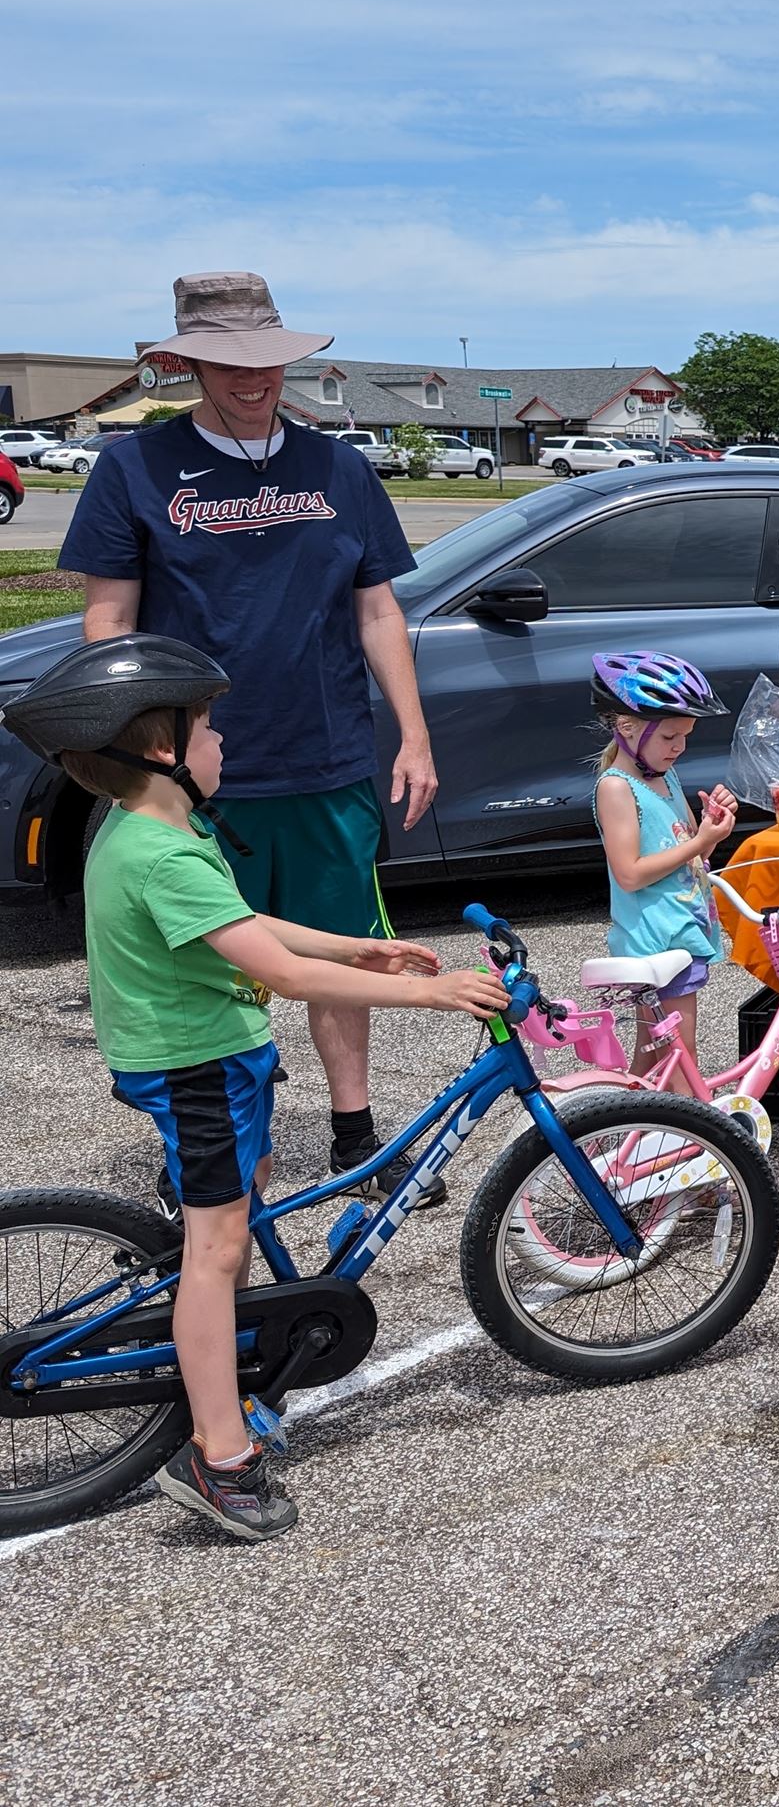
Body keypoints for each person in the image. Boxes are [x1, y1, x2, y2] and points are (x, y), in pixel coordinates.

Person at [0, 636, 507, 1541]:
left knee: (241, 1195)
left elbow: (244, 924)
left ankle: (213, 1345)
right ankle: (218, 1456)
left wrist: (356, 946)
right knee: (218, 1248)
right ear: (164, 751)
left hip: (211, 1058)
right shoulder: (164, 855)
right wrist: (431, 992)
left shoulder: (155, 828)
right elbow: (283, 975)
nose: (222, 741)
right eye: (207, 728)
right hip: (198, 1069)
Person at [60, 273, 440, 1204]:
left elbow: (379, 611)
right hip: (194, 773)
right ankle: (209, 1151)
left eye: (267, 359)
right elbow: (109, 624)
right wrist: (131, 750)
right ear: (187, 363)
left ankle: (354, 1137)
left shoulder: (340, 469)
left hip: (326, 759)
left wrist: (414, 735)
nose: (252, 378)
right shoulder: (134, 468)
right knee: (212, 967)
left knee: (341, 951)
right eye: (227, 362)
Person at [590, 651, 736, 1076]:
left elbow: (694, 850)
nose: (680, 746)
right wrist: (701, 842)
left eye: (685, 735)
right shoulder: (617, 788)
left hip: (677, 929)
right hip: (658, 938)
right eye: (670, 735)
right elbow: (629, 873)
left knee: (653, 1055)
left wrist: (712, 828)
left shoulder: (663, 775)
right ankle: (687, 1124)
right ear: (627, 728)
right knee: (680, 1061)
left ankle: (621, 1116)